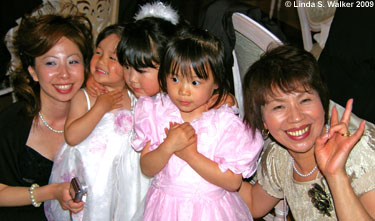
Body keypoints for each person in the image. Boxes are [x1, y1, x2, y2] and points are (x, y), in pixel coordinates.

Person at [131, 26, 263, 220]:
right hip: (165, 210)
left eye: (195, 82)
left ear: (216, 82)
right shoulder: (156, 112)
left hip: (211, 212)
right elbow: (147, 167)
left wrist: (190, 155)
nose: (183, 91)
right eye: (175, 79)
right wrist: (168, 147)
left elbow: (233, 182)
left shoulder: (224, 123)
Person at [238, 45, 375, 220]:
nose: (295, 117)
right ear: (263, 121)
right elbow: (253, 203)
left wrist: (336, 175)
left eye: (305, 100)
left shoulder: (360, 153)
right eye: (279, 106)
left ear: (323, 102)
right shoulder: (280, 157)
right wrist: (206, 156)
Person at [0, 11, 93, 220]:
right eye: (51, 63)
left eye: (73, 61)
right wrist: (49, 192)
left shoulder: (100, 121)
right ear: (33, 71)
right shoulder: (11, 123)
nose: (64, 74)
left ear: (85, 66)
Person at [44, 24, 137, 221]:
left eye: (112, 58)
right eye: (98, 52)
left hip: (121, 181)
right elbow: (72, 136)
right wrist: (99, 108)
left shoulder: (135, 97)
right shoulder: (85, 97)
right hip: (88, 179)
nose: (101, 61)